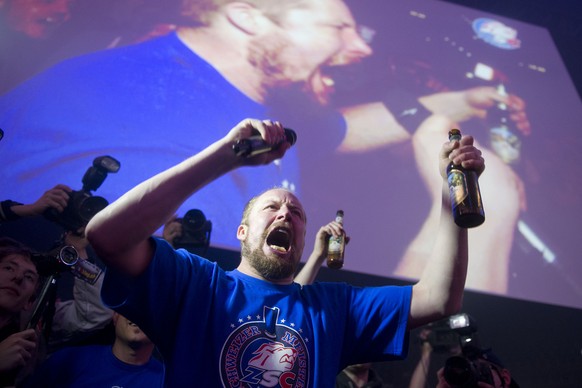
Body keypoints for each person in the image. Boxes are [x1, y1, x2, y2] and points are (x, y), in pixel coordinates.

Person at [0, 0, 528, 297]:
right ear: (247, 17)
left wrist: (465, 100)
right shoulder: (152, 119)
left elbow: (339, 130)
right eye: (338, 27)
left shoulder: (215, 94)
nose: (362, 45)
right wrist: (492, 201)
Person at [85, 118, 485, 386]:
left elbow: (439, 297)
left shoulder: (331, 308)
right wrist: (228, 153)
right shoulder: (198, 285)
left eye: (296, 213)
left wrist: (452, 192)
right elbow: (106, 236)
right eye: (271, 208)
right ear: (242, 232)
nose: (285, 213)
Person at [23, 312, 164, 387]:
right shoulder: (68, 361)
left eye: (149, 308)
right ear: (115, 316)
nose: (138, 313)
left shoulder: (171, 381)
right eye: (132, 305)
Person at [0, 238, 41, 387]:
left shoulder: (28, 347)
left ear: (29, 303)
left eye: (29, 277)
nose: (18, 277)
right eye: (9, 268)